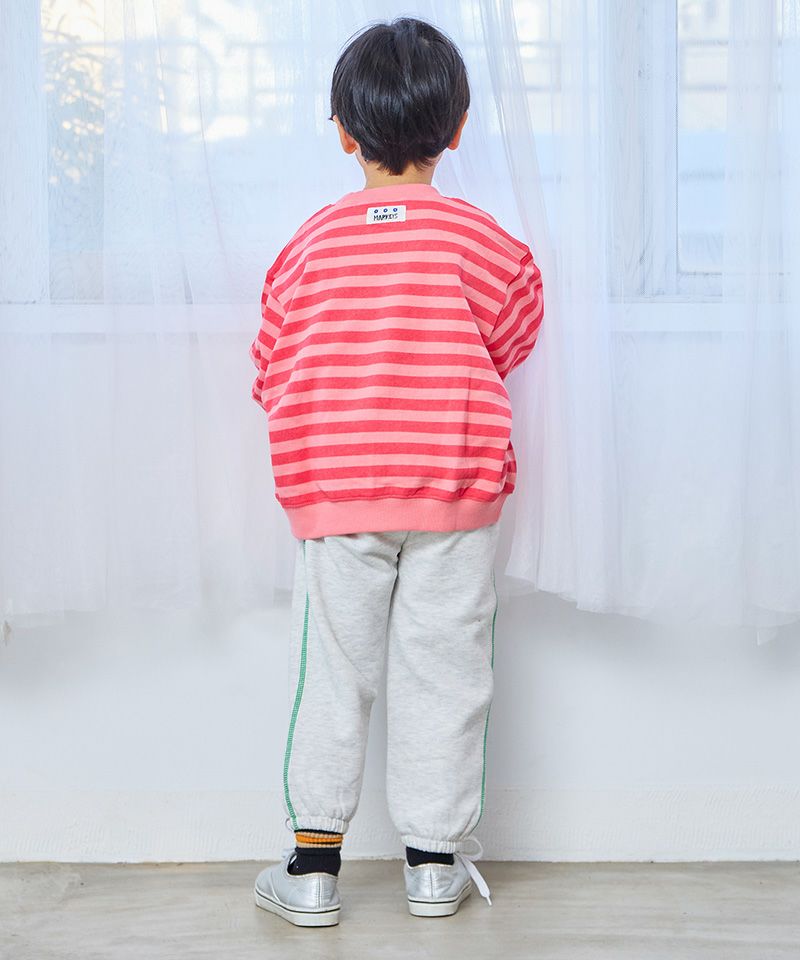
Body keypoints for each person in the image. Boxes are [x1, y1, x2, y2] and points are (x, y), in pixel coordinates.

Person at [249, 15, 544, 928]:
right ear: (457, 129)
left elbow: (267, 365)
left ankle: (312, 870)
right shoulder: (485, 242)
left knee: (331, 672)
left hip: (337, 494)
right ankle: (433, 866)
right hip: (455, 486)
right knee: (445, 670)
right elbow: (514, 336)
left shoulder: (309, 245)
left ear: (345, 133)